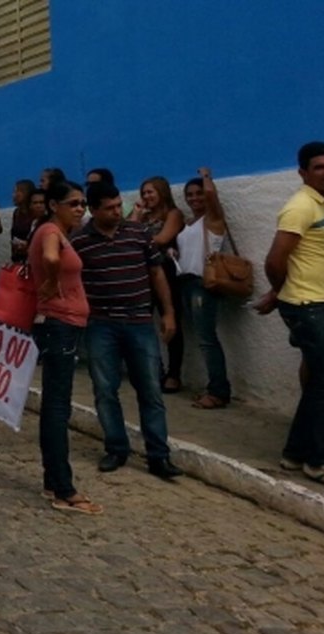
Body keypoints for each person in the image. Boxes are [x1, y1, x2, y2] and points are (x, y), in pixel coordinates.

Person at [255, 142, 324, 492]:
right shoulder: (300, 207)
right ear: (303, 173)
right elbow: (275, 260)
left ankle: (295, 453)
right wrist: (282, 292)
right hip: (308, 306)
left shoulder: (322, 205)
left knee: (321, 382)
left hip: (318, 303)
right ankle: (319, 462)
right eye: (319, 167)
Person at [71, 182, 184, 480]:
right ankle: (116, 448)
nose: (116, 211)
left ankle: (158, 455)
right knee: (105, 390)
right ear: (93, 210)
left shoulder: (139, 234)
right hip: (100, 325)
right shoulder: (80, 242)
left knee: (150, 391)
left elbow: (156, 273)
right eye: (108, 208)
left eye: (118, 205)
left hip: (139, 322)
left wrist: (169, 312)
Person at [29, 180, 103, 514]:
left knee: (55, 406)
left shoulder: (58, 233)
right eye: (73, 203)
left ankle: (52, 481)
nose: (80, 209)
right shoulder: (50, 233)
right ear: (54, 205)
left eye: (82, 203)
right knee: (58, 408)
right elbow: (49, 258)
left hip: (64, 325)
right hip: (59, 324)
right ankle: (63, 488)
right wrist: (50, 280)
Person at [176, 169, 232, 409]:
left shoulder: (213, 219)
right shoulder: (189, 223)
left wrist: (206, 175)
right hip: (186, 283)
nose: (195, 198)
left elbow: (212, 196)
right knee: (201, 338)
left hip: (203, 285)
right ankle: (213, 387)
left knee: (207, 338)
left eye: (199, 193)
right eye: (190, 194)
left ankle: (218, 391)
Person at [130, 176, 186, 393]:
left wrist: (137, 240)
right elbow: (126, 233)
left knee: (171, 320)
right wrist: (136, 213)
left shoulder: (173, 214)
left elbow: (162, 239)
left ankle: (174, 374)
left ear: (162, 192)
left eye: (150, 192)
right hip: (143, 274)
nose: (146, 197)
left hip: (166, 272)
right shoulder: (143, 217)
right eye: (144, 193)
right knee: (144, 323)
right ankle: (155, 369)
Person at [10, 179, 37, 263]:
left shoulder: (35, 214)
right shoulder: (17, 213)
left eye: (17, 191)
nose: (13, 195)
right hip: (18, 258)